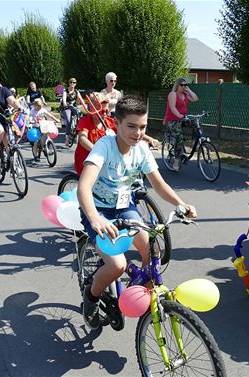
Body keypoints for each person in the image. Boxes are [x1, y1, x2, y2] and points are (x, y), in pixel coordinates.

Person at [77, 95, 197, 329]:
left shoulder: (141, 150)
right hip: (99, 211)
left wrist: (180, 204)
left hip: (124, 208)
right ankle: (90, 298)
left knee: (152, 250)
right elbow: (84, 186)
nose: (138, 133)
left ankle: (145, 298)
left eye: (142, 127)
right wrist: (94, 218)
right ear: (116, 124)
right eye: (131, 126)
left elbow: (160, 184)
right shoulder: (105, 146)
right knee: (117, 265)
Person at [74, 92, 117, 176]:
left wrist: (147, 139)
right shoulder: (85, 121)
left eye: (106, 111)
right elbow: (82, 139)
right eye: (101, 112)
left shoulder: (110, 122)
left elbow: (125, 132)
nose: (105, 114)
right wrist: (97, 150)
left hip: (105, 161)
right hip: (86, 161)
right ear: (93, 110)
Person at [162, 77, 199, 170]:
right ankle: (176, 161)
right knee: (178, 136)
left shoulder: (185, 94)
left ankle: (195, 141)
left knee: (196, 123)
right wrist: (179, 115)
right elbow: (172, 108)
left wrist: (189, 89)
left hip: (182, 118)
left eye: (185, 85)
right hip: (172, 120)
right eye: (182, 85)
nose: (183, 87)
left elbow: (195, 99)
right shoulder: (172, 94)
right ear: (177, 86)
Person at [61, 77, 84, 145]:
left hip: (73, 107)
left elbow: (81, 99)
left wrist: (85, 106)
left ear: (75, 84)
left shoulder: (76, 91)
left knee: (80, 117)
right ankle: (67, 138)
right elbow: (64, 98)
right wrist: (65, 104)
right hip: (66, 107)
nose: (72, 84)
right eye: (71, 82)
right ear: (69, 83)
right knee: (68, 121)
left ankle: (77, 133)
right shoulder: (65, 91)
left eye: (74, 82)